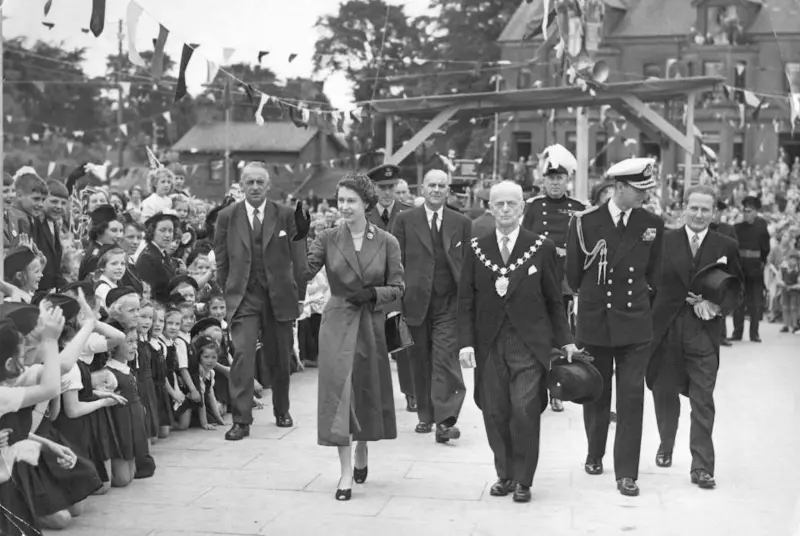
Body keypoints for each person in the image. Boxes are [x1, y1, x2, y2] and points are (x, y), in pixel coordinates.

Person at [458, 180, 577, 503]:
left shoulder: (542, 247)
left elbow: (554, 299)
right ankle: (505, 474)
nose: (506, 210)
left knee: (525, 410)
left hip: (529, 345)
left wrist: (565, 340)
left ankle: (524, 479)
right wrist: (465, 343)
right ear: (491, 208)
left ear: (523, 207)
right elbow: (465, 301)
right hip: (489, 344)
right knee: (495, 411)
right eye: (500, 204)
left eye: (512, 204)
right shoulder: (476, 248)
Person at [566, 157, 665, 497]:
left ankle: (626, 472)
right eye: (639, 190)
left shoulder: (652, 223)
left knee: (632, 397)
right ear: (619, 188)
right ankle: (595, 453)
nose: (644, 197)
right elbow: (573, 275)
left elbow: (656, 273)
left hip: (634, 325)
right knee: (596, 391)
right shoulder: (585, 222)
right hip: (596, 322)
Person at [302, 171, 403, 501]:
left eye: (350, 201)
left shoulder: (387, 242)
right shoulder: (328, 237)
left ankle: (362, 447)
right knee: (338, 392)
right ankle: (345, 472)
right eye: (340, 200)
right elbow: (304, 272)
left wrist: (373, 293)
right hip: (337, 321)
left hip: (370, 324)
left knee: (364, 389)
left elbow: (399, 287)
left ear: (367, 203)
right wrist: (294, 241)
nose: (343, 207)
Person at [646, 185, 743, 490]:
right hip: (665, 332)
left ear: (713, 212)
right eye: (694, 208)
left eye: (705, 209)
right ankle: (666, 441)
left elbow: (736, 289)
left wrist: (716, 305)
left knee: (703, 400)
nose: (699, 214)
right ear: (682, 208)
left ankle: (701, 466)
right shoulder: (664, 241)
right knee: (664, 392)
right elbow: (646, 284)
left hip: (703, 334)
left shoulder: (725, 245)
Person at [213, 162, 309, 441]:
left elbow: (299, 258)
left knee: (280, 355)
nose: (254, 187)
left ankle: (282, 408)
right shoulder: (227, 216)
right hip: (244, 298)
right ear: (241, 185)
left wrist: (300, 295)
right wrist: (229, 290)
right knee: (242, 354)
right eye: (249, 182)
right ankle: (241, 419)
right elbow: (221, 258)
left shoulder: (286, 215)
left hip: (278, 296)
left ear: (268, 186)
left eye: (259, 182)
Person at [392, 169, 470, 442]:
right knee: (421, 360)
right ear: (422, 189)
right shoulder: (404, 220)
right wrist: (395, 302)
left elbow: (468, 263)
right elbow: (395, 262)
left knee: (445, 359)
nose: (436, 189)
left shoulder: (461, 221)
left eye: (442, 185)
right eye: (432, 185)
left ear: (448, 190)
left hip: (449, 302)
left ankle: (445, 420)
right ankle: (425, 414)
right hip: (415, 301)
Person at [522, 144, 586, 412]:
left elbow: (584, 247)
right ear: (543, 180)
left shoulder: (579, 208)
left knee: (562, 335)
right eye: (550, 179)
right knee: (537, 335)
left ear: (567, 180)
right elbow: (523, 243)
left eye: (559, 179)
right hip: (537, 280)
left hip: (564, 282)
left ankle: (557, 390)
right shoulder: (533, 207)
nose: (555, 184)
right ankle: (535, 387)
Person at [365, 164, 416, 411]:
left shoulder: (408, 214)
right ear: (373, 188)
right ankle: (376, 395)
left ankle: (411, 392)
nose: (387, 192)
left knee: (403, 343)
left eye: (391, 187)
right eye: (381, 187)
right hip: (371, 290)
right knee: (373, 345)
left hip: (398, 289)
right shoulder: (362, 215)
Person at [732, 195, 770, 342]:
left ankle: (754, 333)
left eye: (749, 211)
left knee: (755, 303)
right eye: (744, 211)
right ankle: (737, 332)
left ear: (755, 211)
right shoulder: (738, 226)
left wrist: (761, 262)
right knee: (739, 302)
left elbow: (765, 247)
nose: (745, 214)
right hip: (740, 267)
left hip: (755, 268)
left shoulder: (761, 225)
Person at [37, 180, 69, 292]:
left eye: (63, 203)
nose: (59, 206)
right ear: (43, 200)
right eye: (54, 201)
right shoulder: (35, 223)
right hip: (36, 289)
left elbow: (55, 265)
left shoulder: (54, 224)